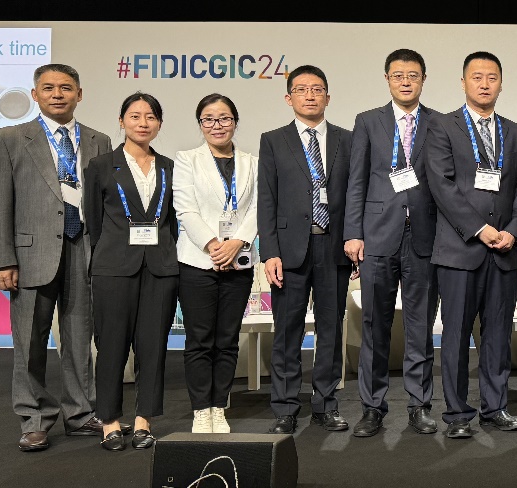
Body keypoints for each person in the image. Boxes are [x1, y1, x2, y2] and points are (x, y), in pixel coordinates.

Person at [0, 63, 116, 452]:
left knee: (79, 340)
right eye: (48, 88)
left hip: (84, 250)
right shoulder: (7, 138)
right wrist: (3, 259)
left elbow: (105, 201)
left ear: (79, 94)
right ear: (35, 94)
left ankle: (81, 414)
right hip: (29, 256)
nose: (57, 94)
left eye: (66, 87)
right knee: (30, 342)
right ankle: (35, 419)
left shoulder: (100, 140)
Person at [425, 51, 517, 439]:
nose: (484, 84)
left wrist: (514, 230)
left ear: (501, 83)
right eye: (477, 77)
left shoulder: (515, 132)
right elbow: (442, 185)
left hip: (504, 250)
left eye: (491, 77)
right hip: (459, 250)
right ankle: (456, 414)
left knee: (498, 335)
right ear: (463, 82)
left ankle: (495, 407)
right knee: (455, 336)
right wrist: (480, 229)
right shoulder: (442, 126)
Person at [345, 49, 441, 437]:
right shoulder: (368, 121)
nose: (405, 81)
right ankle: (372, 407)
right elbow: (356, 180)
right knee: (375, 327)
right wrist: (353, 232)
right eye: (398, 75)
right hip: (377, 236)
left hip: (425, 237)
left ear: (423, 80)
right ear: (387, 79)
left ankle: (419, 405)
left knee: (421, 327)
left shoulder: (439, 123)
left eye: (413, 75)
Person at [257, 65, 352, 434]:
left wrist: (355, 239)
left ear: (328, 96)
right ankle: (285, 408)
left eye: (317, 89)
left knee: (331, 330)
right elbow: (267, 199)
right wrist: (270, 252)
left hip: (334, 245)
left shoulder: (347, 139)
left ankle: (326, 404)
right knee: (287, 331)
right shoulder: (273, 140)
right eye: (301, 89)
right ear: (288, 98)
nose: (310, 95)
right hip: (289, 249)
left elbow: (355, 196)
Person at [83, 92, 179, 451]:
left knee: (152, 347)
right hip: (113, 268)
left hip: (160, 268)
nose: (143, 123)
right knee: (111, 345)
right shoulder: (101, 165)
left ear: (159, 124)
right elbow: (94, 221)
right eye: (135, 116)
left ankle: (143, 421)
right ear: (121, 121)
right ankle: (109, 421)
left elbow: (172, 220)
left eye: (151, 116)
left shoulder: (169, 167)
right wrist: (108, 255)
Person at [174, 93, 258, 434]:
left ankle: (219, 406)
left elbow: (259, 207)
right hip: (197, 261)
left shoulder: (253, 162)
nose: (217, 125)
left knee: (227, 339)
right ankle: (201, 409)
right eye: (208, 119)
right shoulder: (186, 160)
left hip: (239, 261)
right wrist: (213, 245)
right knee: (199, 340)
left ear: (235, 122)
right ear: (200, 124)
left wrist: (237, 242)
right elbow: (185, 209)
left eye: (224, 118)